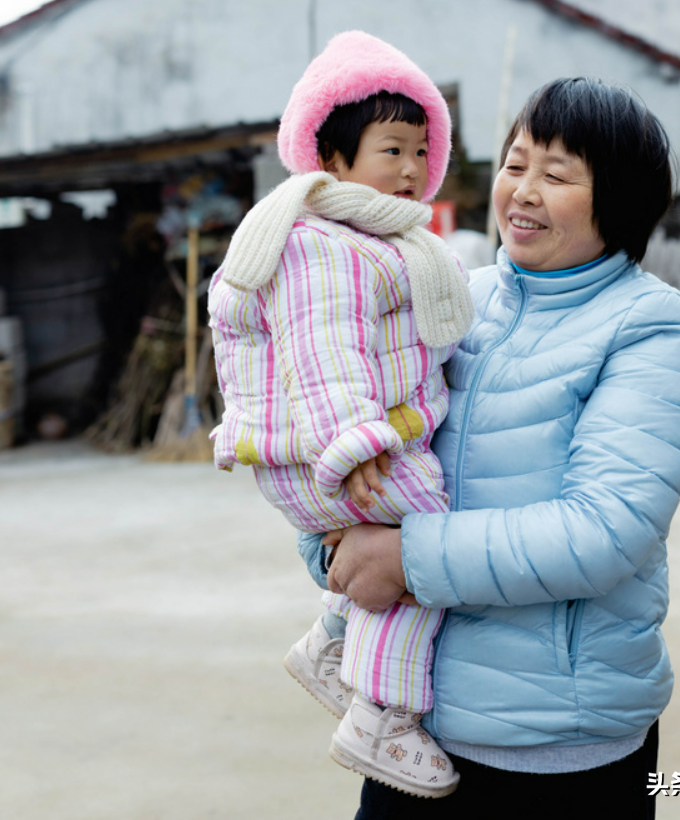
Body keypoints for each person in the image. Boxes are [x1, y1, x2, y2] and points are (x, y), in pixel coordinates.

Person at [301, 77, 680, 818]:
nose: (521, 191)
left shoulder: (649, 326)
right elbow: (357, 431)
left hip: (559, 750)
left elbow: (603, 531)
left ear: (617, 200)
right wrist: (332, 546)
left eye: (555, 175)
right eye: (515, 164)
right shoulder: (452, 292)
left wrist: (400, 559)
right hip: (410, 731)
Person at [208, 31, 473, 799]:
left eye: (422, 151)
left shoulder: (371, 238)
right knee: (427, 556)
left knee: (404, 555)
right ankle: (382, 718)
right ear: (330, 160)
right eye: (390, 150)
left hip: (329, 445)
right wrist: (355, 442)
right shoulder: (324, 245)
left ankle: (329, 641)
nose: (411, 169)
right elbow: (322, 349)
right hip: (342, 449)